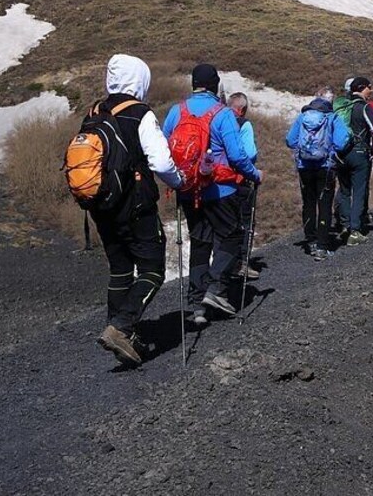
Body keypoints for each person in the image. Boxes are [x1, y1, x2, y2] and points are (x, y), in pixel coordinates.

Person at [91, 54, 185, 366]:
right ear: (139, 80)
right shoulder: (139, 113)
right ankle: (121, 328)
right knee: (152, 270)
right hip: (136, 206)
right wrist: (179, 180)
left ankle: (118, 328)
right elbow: (160, 161)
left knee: (120, 268)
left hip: (102, 205)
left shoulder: (95, 111)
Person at [163, 64, 262, 325]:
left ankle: (197, 305)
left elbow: (164, 150)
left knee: (200, 242)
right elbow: (237, 155)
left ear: (193, 84)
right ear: (215, 84)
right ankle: (215, 289)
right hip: (220, 190)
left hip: (187, 190)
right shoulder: (223, 114)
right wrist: (255, 174)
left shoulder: (177, 112)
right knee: (231, 237)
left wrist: (176, 181)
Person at [286, 86, 350, 260]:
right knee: (324, 204)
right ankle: (322, 246)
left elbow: (290, 140)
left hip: (304, 167)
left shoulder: (302, 117)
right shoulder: (333, 117)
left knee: (308, 203)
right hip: (326, 167)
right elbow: (342, 141)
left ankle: (310, 239)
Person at [334, 77, 373, 246]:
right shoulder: (364, 107)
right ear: (361, 88)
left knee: (344, 190)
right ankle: (355, 230)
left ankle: (343, 225)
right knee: (359, 191)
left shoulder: (341, 106)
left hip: (340, 153)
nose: (371, 91)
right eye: (369, 87)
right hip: (359, 152)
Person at [227, 92, 259, 279]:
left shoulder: (217, 120)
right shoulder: (243, 124)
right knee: (246, 221)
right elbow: (250, 153)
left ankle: (224, 261)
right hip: (240, 180)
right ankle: (241, 262)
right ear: (243, 109)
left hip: (218, 181)